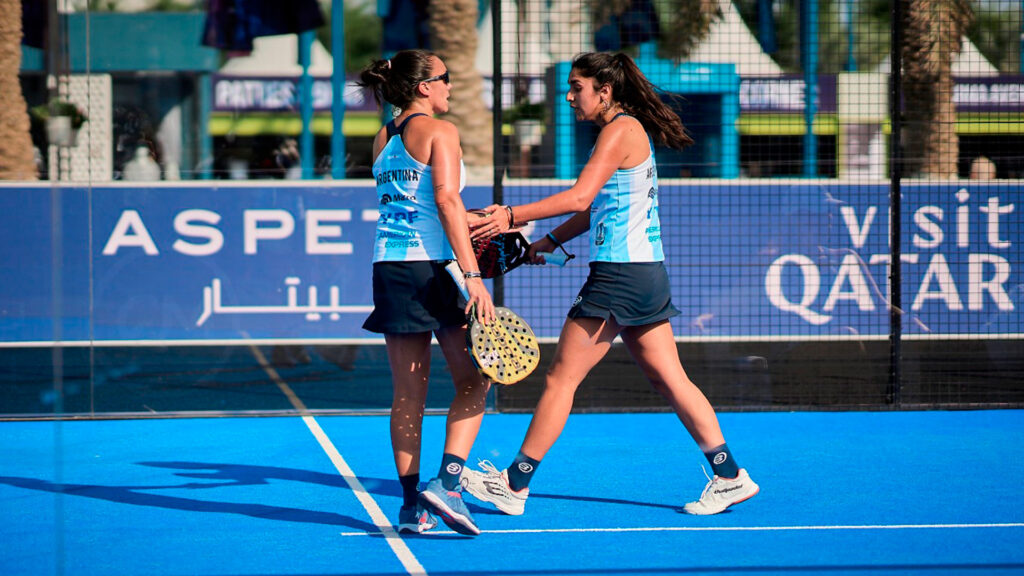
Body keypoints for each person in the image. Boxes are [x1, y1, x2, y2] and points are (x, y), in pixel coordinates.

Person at [464, 52, 759, 516]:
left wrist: (509, 215)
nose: (568, 96)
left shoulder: (618, 131)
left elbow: (580, 195)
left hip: (620, 274)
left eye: (576, 87)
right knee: (670, 378)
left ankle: (513, 485)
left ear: (604, 91)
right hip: (644, 272)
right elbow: (594, 208)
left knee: (562, 379)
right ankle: (729, 476)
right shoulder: (623, 131)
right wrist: (545, 241)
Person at [358, 49, 496, 536]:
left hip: (389, 265)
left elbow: (415, 204)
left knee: (407, 395)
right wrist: (474, 276)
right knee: (476, 380)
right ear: (424, 86)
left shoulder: (383, 137)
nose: (450, 85)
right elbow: (444, 199)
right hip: (433, 268)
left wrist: (475, 220)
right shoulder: (441, 131)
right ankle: (449, 484)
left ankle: (412, 507)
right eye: (445, 78)